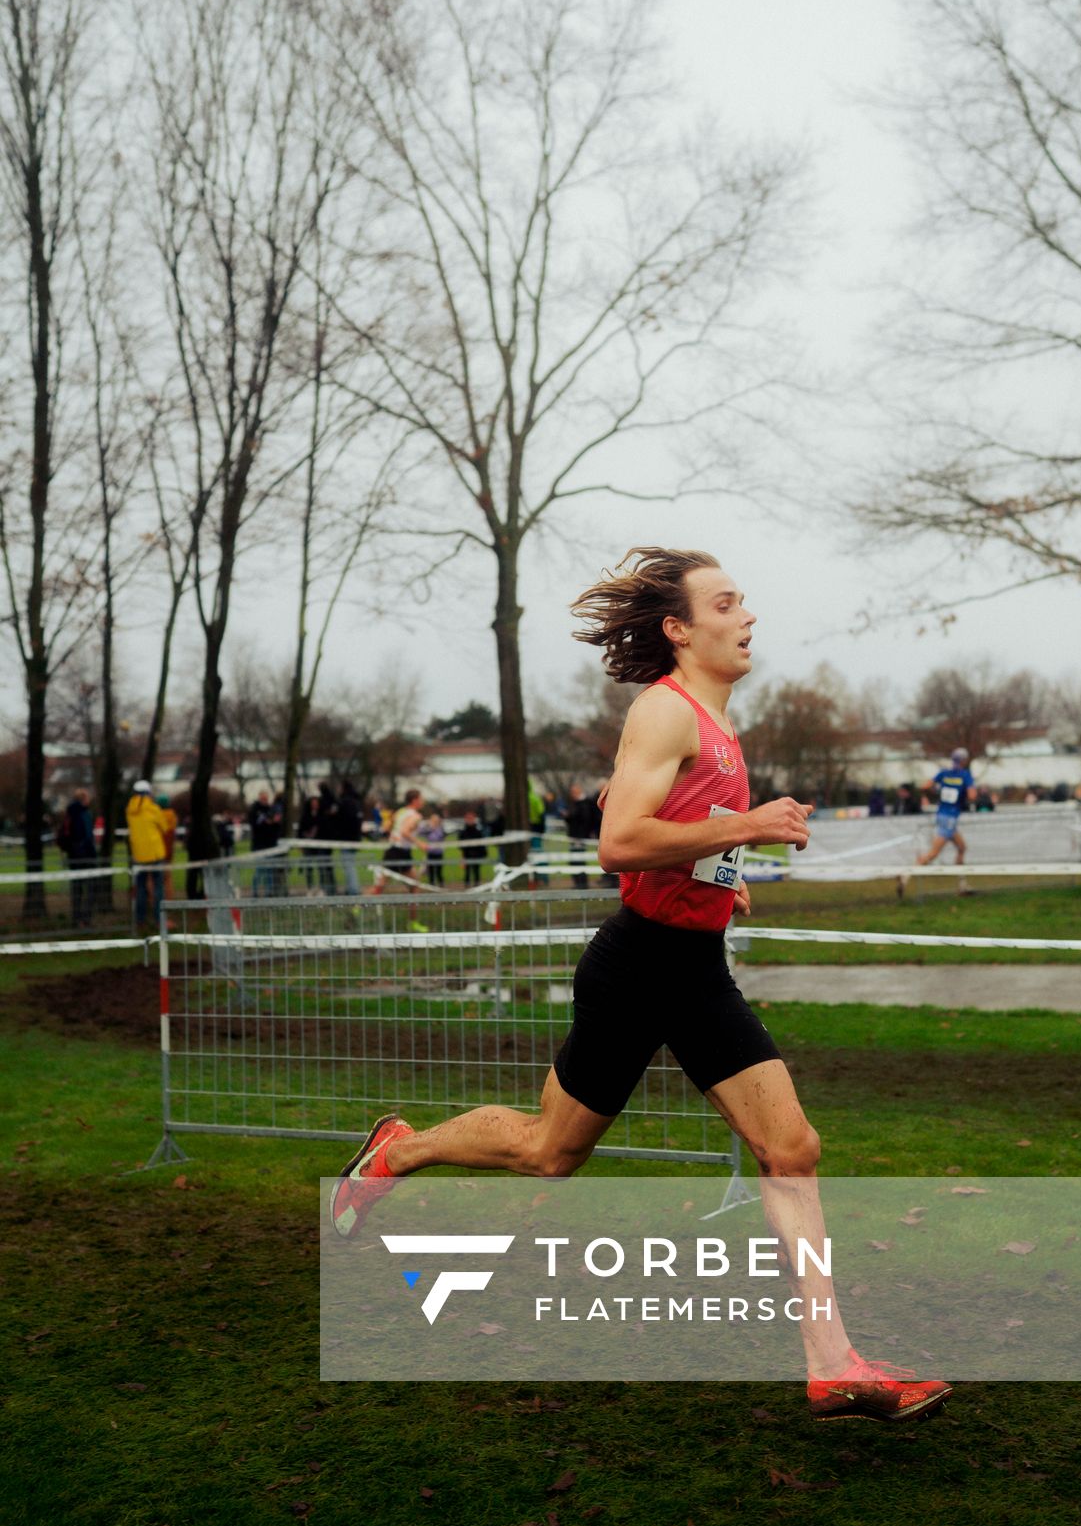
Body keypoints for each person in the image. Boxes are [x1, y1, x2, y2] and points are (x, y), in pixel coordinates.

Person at [330, 547, 951, 1426]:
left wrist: (726, 878)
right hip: (637, 968)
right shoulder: (666, 713)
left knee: (792, 1149)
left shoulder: (718, 721)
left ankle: (832, 1363)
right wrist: (752, 822)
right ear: (679, 628)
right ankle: (399, 1150)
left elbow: (685, 840)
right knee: (552, 1151)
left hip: (692, 970)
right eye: (728, 603)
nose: (749, 616)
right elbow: (619, 842)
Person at [916, 747, 977, 888]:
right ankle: (906, 874)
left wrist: (938, 791)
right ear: (964, 760)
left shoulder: (944, 773)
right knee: (933, 854)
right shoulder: (965, 775)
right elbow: (972, 796)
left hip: (942, 815)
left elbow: (925, 786)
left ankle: (963, 885)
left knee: (962, 847)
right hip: (950, 817)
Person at [126, 779, 168, 930]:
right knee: (158, 888)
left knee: (141, 888)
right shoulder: (153, 808)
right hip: (155, 853)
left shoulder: (130, 809)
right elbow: (164, 826)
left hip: (138, 855)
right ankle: (159, 920)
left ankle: (140, 921)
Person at [371, 788, 429, 892]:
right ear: (414, 800)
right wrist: (420, 843)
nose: (423, 801)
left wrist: (392, 836)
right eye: (421, 798)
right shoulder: (416, 816)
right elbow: (404, 832)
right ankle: (359, 905)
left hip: (394, 850)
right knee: (413, 887)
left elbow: (387, 826)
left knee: (413, 886)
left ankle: (358, 906)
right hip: (399, 852)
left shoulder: (400, 811)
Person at [60, 787, 98, 928]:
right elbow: (88, 836)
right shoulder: (84, 814)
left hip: (73, 856)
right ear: (83, 800)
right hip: (86, 856)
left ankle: (76, 919)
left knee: (76, 889)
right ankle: (85, 919)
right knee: (91, 888)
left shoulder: (69, 813)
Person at [248, 789, 282, 896]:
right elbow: (256, 825)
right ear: (259, 798)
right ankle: (255, 892)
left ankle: (269, 893)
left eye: (266, 799)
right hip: (259, 845)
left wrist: (274, 822)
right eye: (263, 798)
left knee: (270, 872)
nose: (265, 800)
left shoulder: (270, 810)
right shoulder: (254, 810)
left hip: (270, 845)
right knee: (260, 870)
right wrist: (268, 822)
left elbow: (274, 826)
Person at [564, 781, 598, 889]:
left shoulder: (585, 803)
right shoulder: (575, 803)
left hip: (580, 837)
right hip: (574, 836)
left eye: (574, 792)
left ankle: (582, 883)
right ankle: (578, 882)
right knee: (574, 860)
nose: (572, 794)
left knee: (578, 860)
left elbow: (585, 820)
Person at [335, 780, 365, 895]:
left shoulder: (346, 803)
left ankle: (353, 890)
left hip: (347, 840)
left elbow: (345, 822)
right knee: (349, 864)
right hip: (354, 839)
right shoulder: (356, 802)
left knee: (349, 865)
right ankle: (351, 888)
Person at [460, 806, 485, 887]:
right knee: (467, 872)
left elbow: (481, 845)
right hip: (467, 855)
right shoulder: (463, 832)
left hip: (476, 855)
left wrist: (482, 854)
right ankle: (467, 887)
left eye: (471, 818)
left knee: (476, 871)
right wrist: (462, 858)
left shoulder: (478, 832)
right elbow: (461, 846)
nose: (470, 820)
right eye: (468, 818)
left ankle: (477, 886)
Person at [423, 808, 446, 888]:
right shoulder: (428, 829)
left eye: (436, 820)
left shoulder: (441, 829)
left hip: (439, 853)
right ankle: (431, 886)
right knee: (431, 870)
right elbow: (422, 833)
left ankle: (441, 885)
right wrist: (430, 828)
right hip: (430, 853)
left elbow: (439, 837)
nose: (435, 821)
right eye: (433, 820)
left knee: (439, 871)